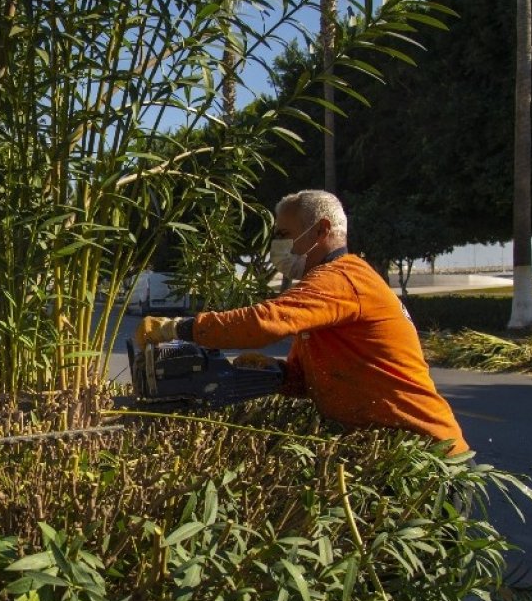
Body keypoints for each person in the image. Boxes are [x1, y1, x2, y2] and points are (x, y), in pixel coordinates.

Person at [135, 190, 469, 455]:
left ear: (322, 230)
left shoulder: (342, 279)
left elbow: (265, 322)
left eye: (284, 234)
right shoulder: (329, 290)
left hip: (428, 452)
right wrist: (278, 374)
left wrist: (177, 328)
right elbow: (309, 381)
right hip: (391, 448)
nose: (277, 245)